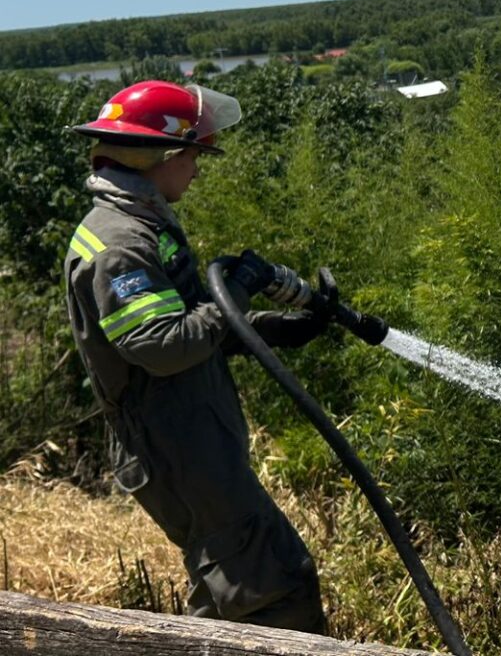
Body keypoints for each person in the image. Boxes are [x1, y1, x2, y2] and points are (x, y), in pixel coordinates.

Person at [63, 79, 333, 633]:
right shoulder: (119, 245)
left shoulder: (141, 223)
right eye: (195, 156)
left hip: (190, 440)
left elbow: (186, 325)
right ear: (161, 155)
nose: (198, 169)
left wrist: (267, 328)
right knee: (276, 587)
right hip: (176, 447)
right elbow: (163, 348)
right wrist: (234, 295)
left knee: (227, 601)